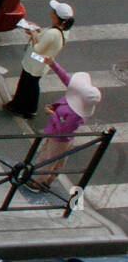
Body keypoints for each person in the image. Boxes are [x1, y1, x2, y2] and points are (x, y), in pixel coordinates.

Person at [29, 61, 101, 190]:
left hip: (58, 138)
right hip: (58, 136)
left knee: (47, 159)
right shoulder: (79, 100)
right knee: (56, 159)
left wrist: (53, 114)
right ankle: (47, 180)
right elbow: (67, 80)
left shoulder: (76, 115)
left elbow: (63, 129)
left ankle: (38, 182)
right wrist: (53, 64)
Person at [5, 0, 74, 119]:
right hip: (42, 62)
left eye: (53, 11)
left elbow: (37, 49)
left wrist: (32, 34)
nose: (51, 12)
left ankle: (20, 107)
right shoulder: (63, 30)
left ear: (56, 16)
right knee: (31, 84)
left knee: (26, 85)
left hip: (35, 62)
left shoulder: (53, 33)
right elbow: (47, 39)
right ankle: (27, 107)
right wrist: (38, 31)